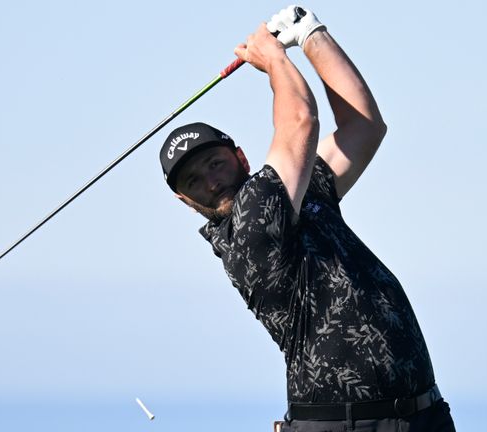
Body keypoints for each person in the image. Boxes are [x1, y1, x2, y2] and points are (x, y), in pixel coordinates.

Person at [159, 6, 456, 432]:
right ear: (186, 201)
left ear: (239, 157)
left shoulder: (294, 194)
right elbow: (300, 120)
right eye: (192, 179)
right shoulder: (247, 227)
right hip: (341, 426)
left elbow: (364, 126)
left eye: (214, 164)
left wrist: (311, 35)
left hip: (421, 416)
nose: (210, 181)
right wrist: (273, 58)